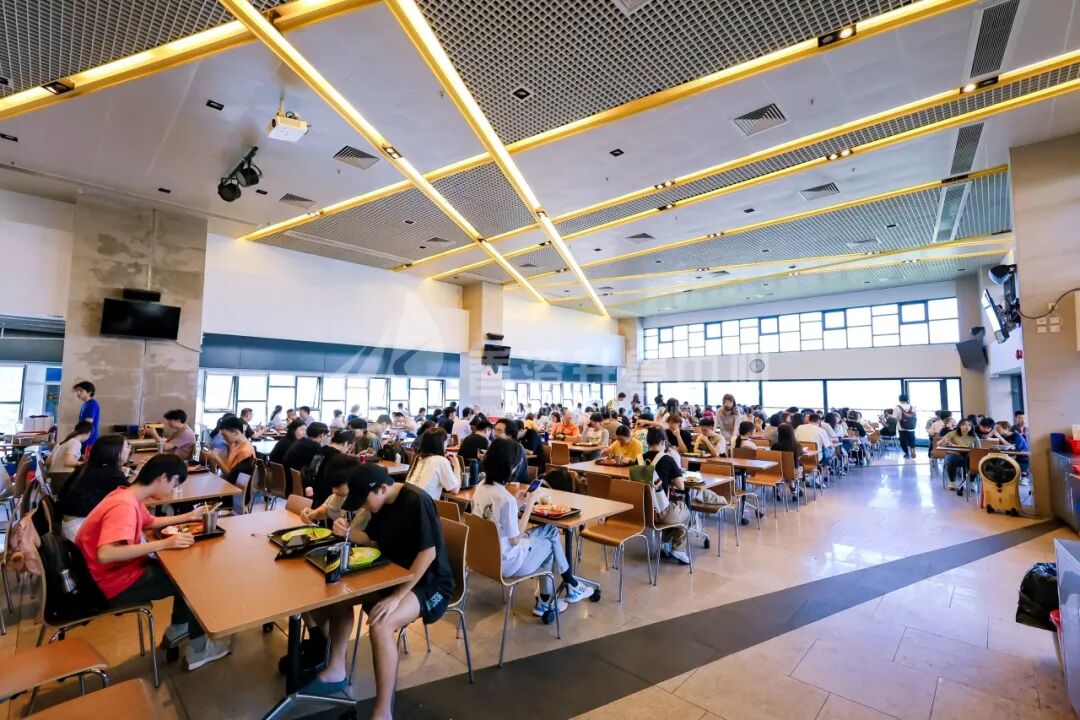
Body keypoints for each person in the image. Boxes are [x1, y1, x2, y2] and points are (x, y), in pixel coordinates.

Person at [304, 462, 454, 710]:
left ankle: (383, 711)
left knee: (381, 624)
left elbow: (428, 554)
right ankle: (336, 667)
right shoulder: (380, 504)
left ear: (382, 488)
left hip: (430, 582)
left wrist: (397, 597)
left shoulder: (417, 501)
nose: (363, 506)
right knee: (339, 596)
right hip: (394, 574)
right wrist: (347, 532)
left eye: (365, 500)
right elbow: (373, 541)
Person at [75, 454, 230, 670]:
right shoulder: (124, 506)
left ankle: (178, 628)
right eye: (174, 483)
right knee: (193, 580)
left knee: (184, 570)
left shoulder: (125, 495)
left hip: (106, 575)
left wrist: (188, 516)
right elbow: (106, 554)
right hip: (111, 584)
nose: (173, 489)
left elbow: (150, 522)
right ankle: (199, 649)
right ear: (163, 477)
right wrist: (163, 544)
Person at [472, 438, 592, 616]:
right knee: (550, 537)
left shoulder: (481, 486)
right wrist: (529, 505)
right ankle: (562, 590)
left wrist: (516, 502)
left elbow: (495, 519)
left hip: (485, 557)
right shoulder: (504, 499)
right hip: (508, 563)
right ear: (511, 467)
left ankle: (553, 595)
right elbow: (515, 540)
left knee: (547, 536)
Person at [58, 434, 130, 540]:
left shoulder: (88, 467)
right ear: (116, 452)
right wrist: (139, 471)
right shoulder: (111, 473)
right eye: (127, 446)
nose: (129, 450)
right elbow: (133, 494)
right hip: (79, 529)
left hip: (68, 524)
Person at [641, 428, 692, 565]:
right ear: (664, 442)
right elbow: (681, 486)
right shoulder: (668, 459)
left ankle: (665, 544)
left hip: (643, 513)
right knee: (684, 511)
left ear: (647, 442)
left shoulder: (639, 459)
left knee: (673, 510)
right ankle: (678, 549)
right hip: (660, 513)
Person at [404, 428, 461, 501]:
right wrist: (457, 466)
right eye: (445, 441)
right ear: (441, 443)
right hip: (423, 505)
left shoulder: (418, 457)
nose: (446, 444)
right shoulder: (441, 460)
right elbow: (455, 490)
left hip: (407, 502)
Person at [310, 429, 355, 508]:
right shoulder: (338, 457)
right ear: (346, 443)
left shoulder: (322, 449)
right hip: (327, 496)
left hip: (315, 490)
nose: (348, 450)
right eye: (349, 447)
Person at [205, 416, 255, 483]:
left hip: (234, 487)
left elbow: (233, 479)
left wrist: (217, 459)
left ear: (236, 433)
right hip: (225, 482)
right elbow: (228, 467)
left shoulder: (246, 450)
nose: (223, 438)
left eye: (225, 435)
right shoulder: (234, 444)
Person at [939, 418, 980, 492]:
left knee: (974, 461)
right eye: (964, 425)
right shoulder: (953, 433)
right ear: (960, 426)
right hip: (954, 453)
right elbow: (939, 443)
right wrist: (944, 442)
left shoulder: (974, 436)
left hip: (968, 455)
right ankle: (952, 481)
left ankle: (971, 482)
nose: (967, 427)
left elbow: (979, 450)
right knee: (952, 460)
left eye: (969, 425)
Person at [770, 424, 805, 496]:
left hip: (778, 471)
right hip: (793, 472)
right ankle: (793, 487)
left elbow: (773, 458)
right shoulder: (797, 446)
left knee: (785, 469)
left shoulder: (775, 445)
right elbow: (798, 458)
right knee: (798, 466)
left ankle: (778, 488)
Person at [73, 380, 101, 446]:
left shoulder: (92, 404)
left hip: (88, 439)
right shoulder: (85, 404)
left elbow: (87, 424)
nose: (77, 393)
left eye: (81, 390)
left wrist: (76, 437)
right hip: (83, 436)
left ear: (89, 392)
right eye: (76, 390)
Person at [895, 394, 918, 459]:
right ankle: (913, 450)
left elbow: (895, 417)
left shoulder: (897, 407)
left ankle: (906, 453)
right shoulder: (912, 407)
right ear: (907, 400)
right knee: (912, 439)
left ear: (899, 400)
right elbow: (915, 416)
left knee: (903, 441)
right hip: (911, 427)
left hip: (901, 427)